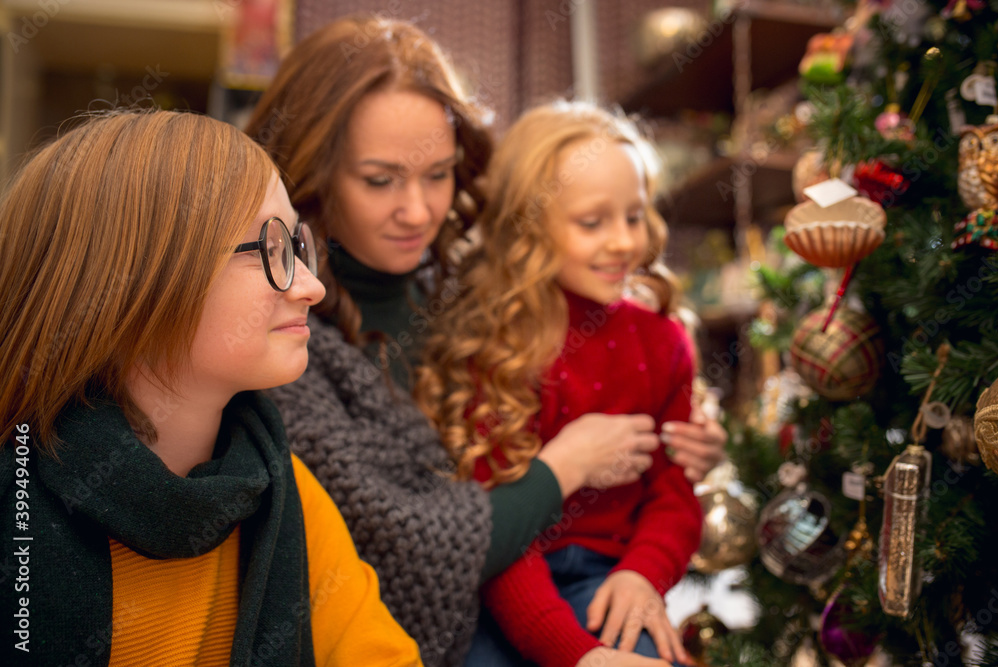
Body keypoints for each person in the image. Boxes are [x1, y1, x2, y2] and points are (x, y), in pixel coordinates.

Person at [249, 16, 724, 666]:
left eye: (438, 174)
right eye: (381, 180)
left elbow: (624, 382)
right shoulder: (284, 342)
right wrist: (566, 468)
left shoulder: (486, 295)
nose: (418, 211)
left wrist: (685, 437)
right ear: (311, 175)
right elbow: (402, 546)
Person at [0, 110, 420, 667]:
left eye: (297, 247)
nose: (313, 287)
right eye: (270, 249)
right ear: (134, 281)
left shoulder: (282, 484)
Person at [415, 101, 702, 667]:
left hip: (610, 576)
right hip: (501, 582)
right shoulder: (495, 343)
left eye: (635, 215)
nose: (623, 242)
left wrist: (643, 574)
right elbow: (494, 529)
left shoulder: (664, 341)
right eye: (592, 222)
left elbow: (675, 492)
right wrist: (575, 655)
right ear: (529, 226)